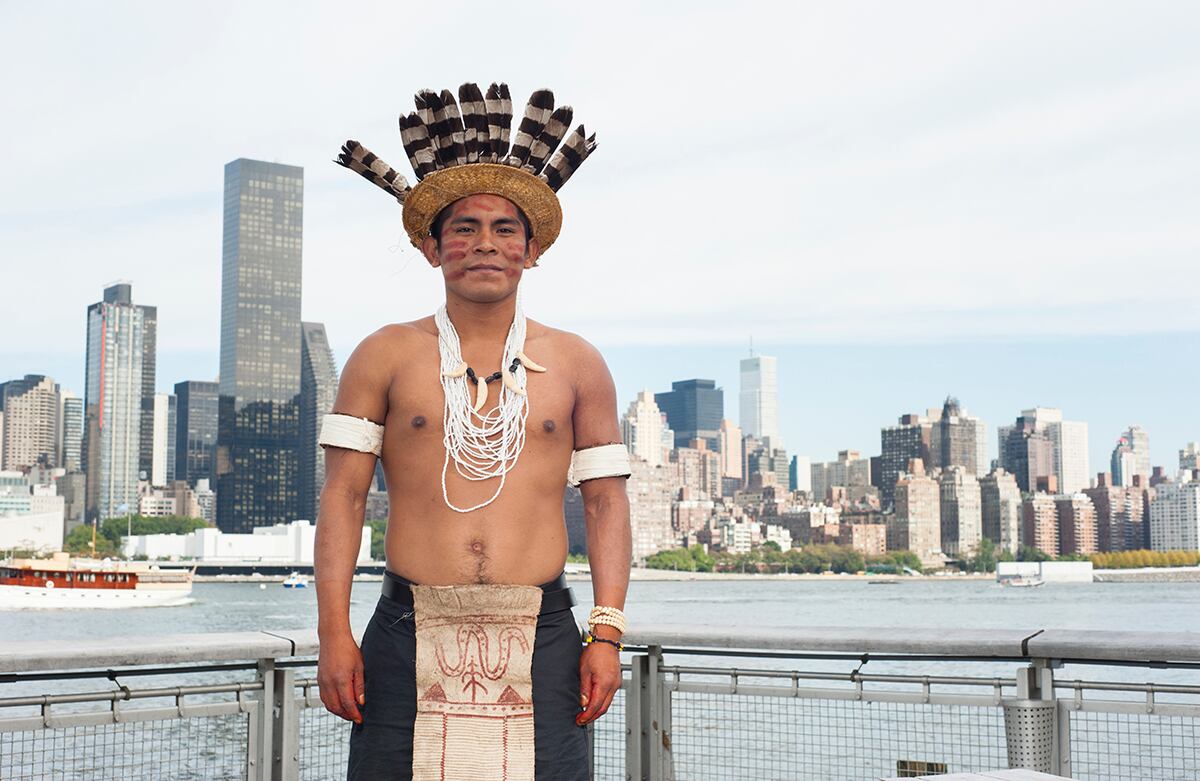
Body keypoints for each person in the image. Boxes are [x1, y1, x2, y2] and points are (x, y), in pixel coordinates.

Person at [315, 82, 632, 781]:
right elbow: (341, 496)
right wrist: (332, 631)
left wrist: (605, 633)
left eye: (504, 229)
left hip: (545, 634)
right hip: (404, 629)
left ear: (531, 250)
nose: (483, 243)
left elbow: (607, 502)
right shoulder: (383, 354)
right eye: (463, 228)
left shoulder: (578, 362)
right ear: (433, 249)